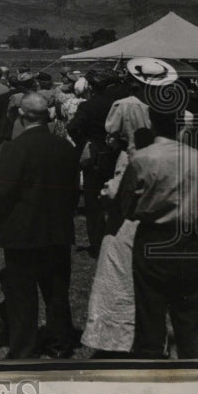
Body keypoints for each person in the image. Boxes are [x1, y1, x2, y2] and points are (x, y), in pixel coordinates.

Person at [117, 66, 198, 360]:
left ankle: (149, 371)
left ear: (153, 124)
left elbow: (125, 205)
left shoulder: (142, 159)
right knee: (192, 319)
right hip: (189, 241)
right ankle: (197, 376)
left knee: (150, 315)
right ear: (181, 124)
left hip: (153, 240)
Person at [0, 92, 80, 359]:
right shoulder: (65, 148)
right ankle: (60, 344)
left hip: (22, 233)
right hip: (57, 231)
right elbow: (74, 191)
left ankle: (24, 347)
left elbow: (2, 195)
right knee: (56, 293)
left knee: (22, 297)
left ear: (20, 115)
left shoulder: (14, 149)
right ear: (48, 115)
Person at [81, 126, 155, 356]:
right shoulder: (159, 164)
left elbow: (114, 193)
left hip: (124, 229)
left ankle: (117, 339)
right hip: (146, 229)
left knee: (117, 283)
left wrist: (106, 191)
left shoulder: (134, 165)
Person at [68, 68, 122, 257]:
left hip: (95, 154)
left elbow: (73, 127)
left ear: (91, 86)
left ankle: (97, 243)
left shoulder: (88, 106)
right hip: (115, 154)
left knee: (93, 202)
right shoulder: (118, 104)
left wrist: (85, 139)